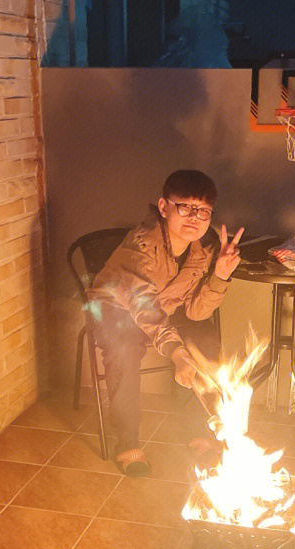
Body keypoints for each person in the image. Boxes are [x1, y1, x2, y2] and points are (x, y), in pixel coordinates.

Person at [88, 169, 244, 476]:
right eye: (184, 207)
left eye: (203, 211)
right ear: (164, 207)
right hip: (115, 308)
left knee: (205, 338)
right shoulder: (142, 246)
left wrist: (221, 274)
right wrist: (176, 352)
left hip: (163, 309)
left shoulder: (205, 248)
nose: (194, 218)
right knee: (123, 348)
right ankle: (127, 441)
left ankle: (197, 430)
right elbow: (144, 308)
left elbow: (197, 312)